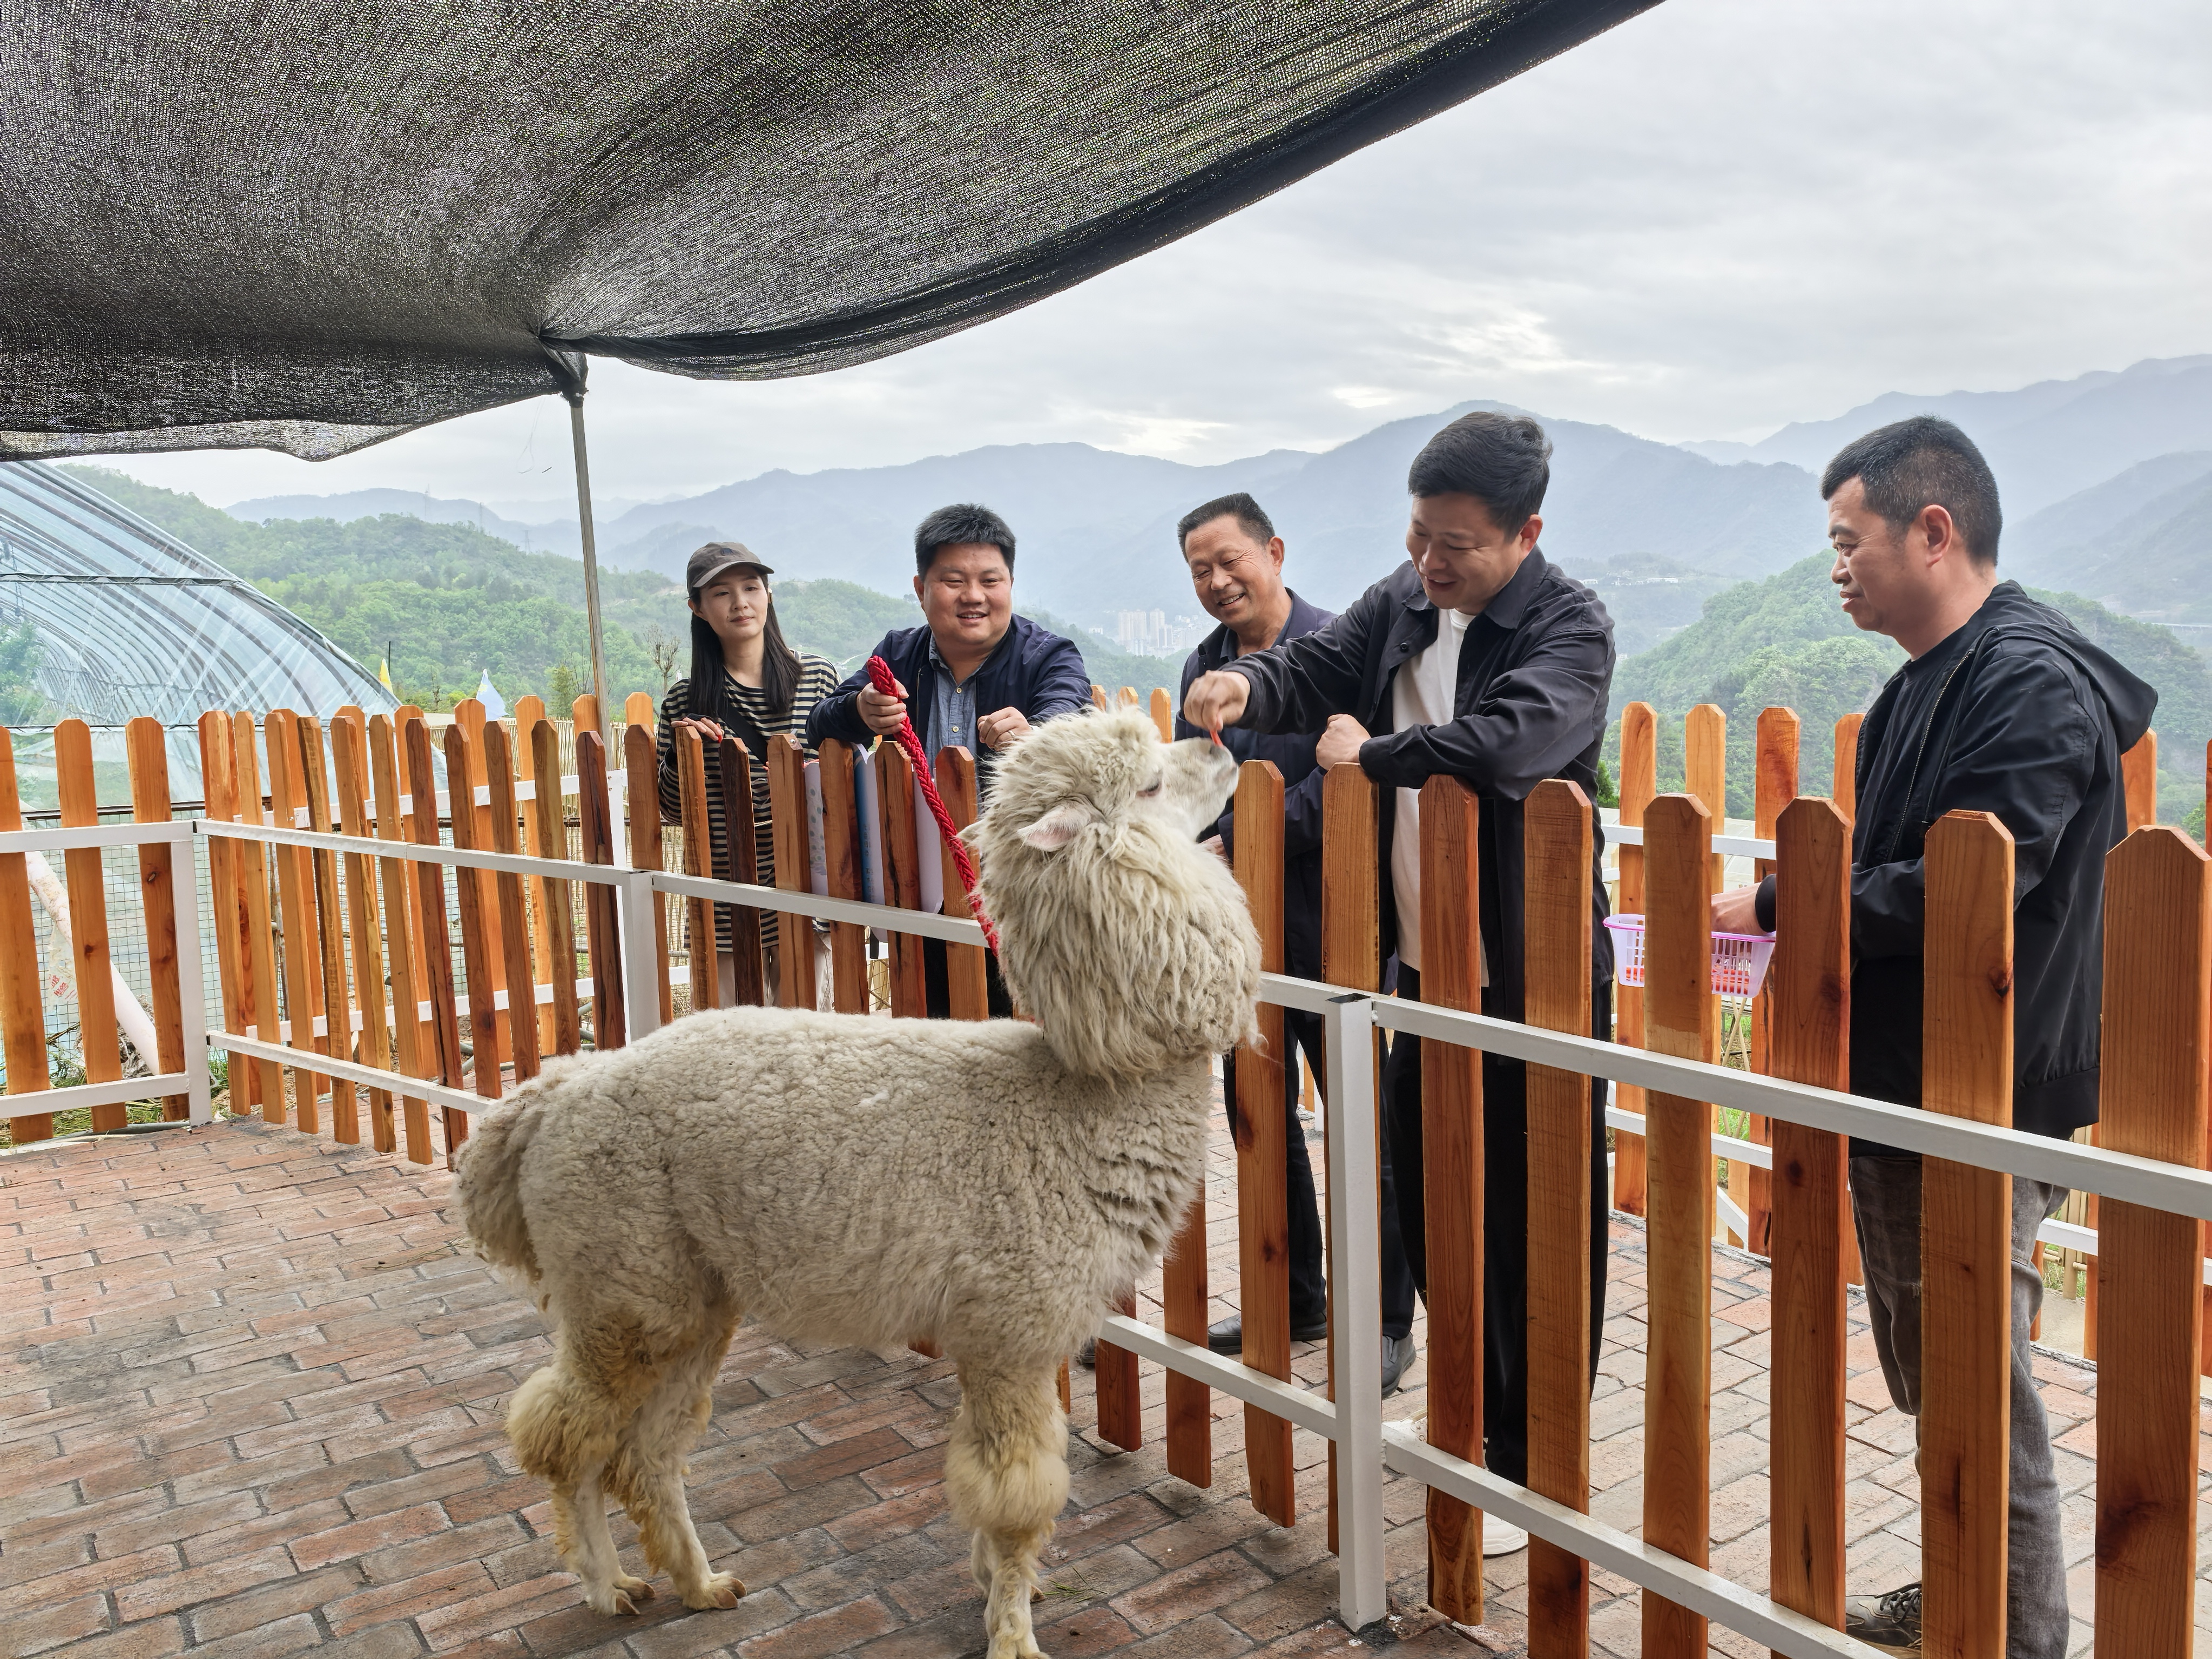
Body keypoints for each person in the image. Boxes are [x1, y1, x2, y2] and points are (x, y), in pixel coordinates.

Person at [1713, 417, 2153, 1659]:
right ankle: (1963, 1588)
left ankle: (2013, 1634)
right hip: (1914, 1078)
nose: (1834, 568)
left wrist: (1786, 903)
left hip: (1982, 1090)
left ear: (1932, 531)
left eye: (1846, 540)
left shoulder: (2027, 683)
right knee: (1934, 1371)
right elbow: (1900, 862)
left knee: (1971, 1384)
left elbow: (1974, 886)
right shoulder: (1926, 677)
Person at [1184, 411, 1615, 1555]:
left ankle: (1534, 1466)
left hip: (1533, 979)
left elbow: (1511, 741)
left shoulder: (1569, 626)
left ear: (1524, 534)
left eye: (1455, 544)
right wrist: (1246, 686)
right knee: (1432, 1200)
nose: (1429, 561)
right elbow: (1313, 666)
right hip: (1425, 969)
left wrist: (1367, 756)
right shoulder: (1404, 599)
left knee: (1536, 1225)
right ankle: (1471, 1414)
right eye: (1418, 534)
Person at [1168, 491, 1419, 1392]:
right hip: (1241, 937)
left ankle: (1386, 1319)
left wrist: (1242, 838)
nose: (1217, 580)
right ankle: (1299, 1296)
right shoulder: (1204, 667)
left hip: (1340, 926)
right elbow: (1192, 784)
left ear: (1273, 552)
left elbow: (1351, 782)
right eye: (1200, 569)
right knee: (1261, 1121)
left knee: (1365, 1130)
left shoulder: (1338, 648)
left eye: (1230, 560)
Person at [808, 503, 1091, 1015]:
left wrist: (1036, 735)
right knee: (932, 1030)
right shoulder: (899, 654)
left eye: (990, 580)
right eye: (954, 581)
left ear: (1010, 584)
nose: (974, 596)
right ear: (921, 590)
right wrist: (859, 710)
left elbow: (1069, 711)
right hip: (920, 894)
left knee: (1026, 1032)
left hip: (1025, 898)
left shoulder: (1048, 656)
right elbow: (819, 723)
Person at [656, 542, 841, 1005]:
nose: (740, 602)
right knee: (734, 1037)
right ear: (698, 608)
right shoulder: (685, 701)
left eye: (751, 587)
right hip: (725, 898)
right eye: (721, 593)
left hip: (807, 890)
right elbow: (673, 810)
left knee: (805, 1032)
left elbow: (842, 782)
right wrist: (683, 756)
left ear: (768, 595)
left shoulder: (817, 677)